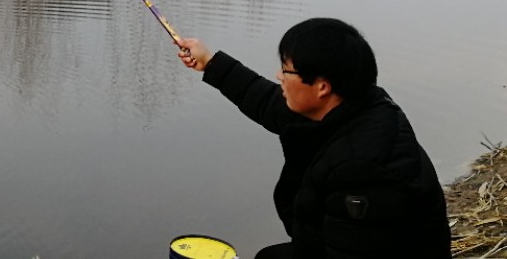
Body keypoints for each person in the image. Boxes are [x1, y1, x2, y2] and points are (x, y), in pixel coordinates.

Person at [175, 17, 450, 258]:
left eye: (286, 70)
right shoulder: (350, 105)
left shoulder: (363, 170)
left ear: (322, 86)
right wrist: (210, 63)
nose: (279, 76)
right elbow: (268, 103)